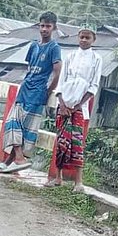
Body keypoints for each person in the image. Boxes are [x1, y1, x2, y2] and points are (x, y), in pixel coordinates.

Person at [0, 10, 61, 174]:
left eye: (48, 26)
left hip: (38, 91)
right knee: (13, 122)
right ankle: (15, 159)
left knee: (22, 127)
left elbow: (57, 71)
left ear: (53, 28)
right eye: (42, 25)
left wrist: (49, 91)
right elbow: (29, 67)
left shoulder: (54, 47)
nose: (44, 29)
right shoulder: (33, 45)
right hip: (25, 88)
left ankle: (13, 160)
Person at [48, 26, 104, 190]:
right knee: (61, 141)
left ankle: (78, 182)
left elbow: (94, 85)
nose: (84, 40)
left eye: (87, 38)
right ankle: (58, 177)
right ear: (78, 38)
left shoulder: (96, 59)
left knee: (77, 143)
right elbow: (61, 81)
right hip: (64, 104)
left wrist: (79, 105)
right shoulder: (70, 56)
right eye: (81, 37)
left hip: (79, 107)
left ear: (93, 39)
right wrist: (63, 103)